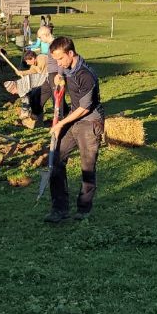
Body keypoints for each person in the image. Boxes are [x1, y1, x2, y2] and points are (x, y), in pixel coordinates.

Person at [45, 36, 105, 223]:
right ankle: (59, 209)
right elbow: (61, 73)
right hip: (74, 120)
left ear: (71, 53)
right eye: (55, 60)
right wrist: (59, 76)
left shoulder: (86, 75)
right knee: (56, 160)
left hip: (89, 122)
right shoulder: (67, 65)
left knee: (87, 168)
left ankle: (83, 210)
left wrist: (60, 124)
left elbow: (85, 108)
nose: (58, 63)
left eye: (60, 59)